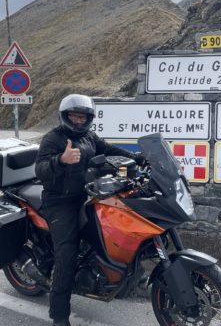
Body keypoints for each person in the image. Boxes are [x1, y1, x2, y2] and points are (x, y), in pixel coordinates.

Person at [35, 94, 146, 326]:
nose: (78, 120)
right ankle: (59, 316)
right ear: (65, 116)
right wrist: (61, 160)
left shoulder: (88, 136)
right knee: (66, 253)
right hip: (59, 202)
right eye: (74, 116)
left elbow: (108, 148)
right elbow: (41, 170)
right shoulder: (53, 139)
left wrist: (136, 157)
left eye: (82, 116)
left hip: (86, 195)